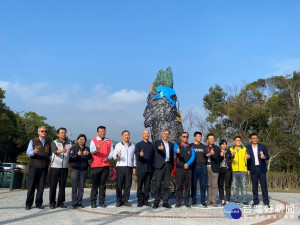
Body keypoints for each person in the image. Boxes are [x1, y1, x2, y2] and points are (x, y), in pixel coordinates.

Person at [25, 126, 52, 210]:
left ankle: (39, 203)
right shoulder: (33, 141)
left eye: (45, 131)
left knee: (41, 186)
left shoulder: (49, 142)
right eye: (42, 131)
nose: (44, 133)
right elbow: (28, 153)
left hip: (44, 167)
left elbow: (50, 154)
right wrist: (33, 151)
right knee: (32, 186)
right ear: (38, 132)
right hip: (34, 167)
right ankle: (28, 204)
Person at [90, 126, 114, 208]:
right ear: (97, 132)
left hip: (105, 166)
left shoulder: (109, 141)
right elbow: (92, 150)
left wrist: (108, 158)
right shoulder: (93, 141)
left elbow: (111, 152)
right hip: (96, 166)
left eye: (103, 131)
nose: (102, 133)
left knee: (102, 185)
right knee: (95, 185)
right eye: (100, 131)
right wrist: (96, 148)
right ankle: (93, 202)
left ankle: (102, 202)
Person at [49, 127, 72, 209]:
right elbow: (55, 151)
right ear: (58, 134)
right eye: (62, 132)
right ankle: (52, 202)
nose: (63, 134)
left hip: (65, 167)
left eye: (65, 132)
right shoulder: (54, 142)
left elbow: (70, 155)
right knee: (53, 185)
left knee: (62, 186)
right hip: (55, 166)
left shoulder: (69, 143)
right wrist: (61, 151)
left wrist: (69, 165)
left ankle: (60, 202)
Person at [152, 129, 174, 209]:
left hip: (168, 165)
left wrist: (171, 166)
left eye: (167, 134)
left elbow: (172, 156)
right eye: (164, 134)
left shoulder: (171, 144)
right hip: (160, 166)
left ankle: (165, 201)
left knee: (166, 185)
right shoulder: (158, 142)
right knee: (158, 185)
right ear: (162, 134)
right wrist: (159, 148)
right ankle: (156, 201)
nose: (166, 135)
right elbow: (157, 147)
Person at [246, 133, 270, 207]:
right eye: (253, 138)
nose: (255, 139)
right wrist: (248, 169)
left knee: (264, 185)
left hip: (261, 168)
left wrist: (264, 157)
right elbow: (246, 161)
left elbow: (268, 157)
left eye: (256, 138)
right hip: (253, 169)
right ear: (250, 139)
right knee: (254, 186)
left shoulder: (262, 147)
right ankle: (255, 201)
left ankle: (266, 201)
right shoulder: (247, 148)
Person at [113, 130, 136, 207]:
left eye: (128, 135)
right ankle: (119, 200)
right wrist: (117, 155)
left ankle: (125, 200)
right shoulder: (118, 145)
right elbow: (113, 157)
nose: (127, 136)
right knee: (119, 184)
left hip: (129, 167)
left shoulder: (132, 145)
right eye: (125, 135)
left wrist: (134, 166)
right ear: (122, 136)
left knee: (128, 185)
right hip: (120, 167)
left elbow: (134, 157)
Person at [69, 134, 92, 208]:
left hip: (84, 169)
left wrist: (87, 154)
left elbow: (90, 157)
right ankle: (74, 202)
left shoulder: (87, 148)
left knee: (81, 187)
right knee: (74, 187)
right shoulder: (73, 148)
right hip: (75, 169)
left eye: (83, 139)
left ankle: (80, 202)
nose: (82, 141)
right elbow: (70, 158)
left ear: (85, 140)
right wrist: (77, 155)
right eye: (80, 139)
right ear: (77, 140)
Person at [173, 132, 195, 208]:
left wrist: (187, 164)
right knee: (179, 186)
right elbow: (175, 150)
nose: (185, 138)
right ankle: (178, 202)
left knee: (187, 186)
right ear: (181, 137)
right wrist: (177, 151)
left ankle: (186, 202)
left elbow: (193, 156)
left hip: (188, 169)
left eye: (187, 137)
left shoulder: (191, 146)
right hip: (179, 169)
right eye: (184, 136)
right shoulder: (177, 145)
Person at [135, 129, 155, 207]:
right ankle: (140, 201)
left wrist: (153, 168)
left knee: (147, 186)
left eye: (147, 133)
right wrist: (140, 155)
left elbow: (153, 157)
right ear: (142, 135)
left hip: (149, 168)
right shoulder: (138, 145)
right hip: (141, 168)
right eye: (145, 133)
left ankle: (146, 200)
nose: (146, 135)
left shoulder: (151, 145)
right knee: (140, 186)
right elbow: (137, 155)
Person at [190, 131, 208, 207]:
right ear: (194, 137)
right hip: (194, 167)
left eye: (200, 136)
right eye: (198, 136)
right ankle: (194, 200)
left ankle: (203, 201)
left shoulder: (203, 146)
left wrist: (210, 154)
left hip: (203, 167)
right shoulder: (190, 146)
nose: (199, 138)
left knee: (203, 185)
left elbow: (207, 155)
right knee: (193, 185)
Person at [230, 136, 249, 205]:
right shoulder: (231, 149)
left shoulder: (245, 149)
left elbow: (248, 159)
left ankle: (244, 200)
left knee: (244, 186)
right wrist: (231, 155)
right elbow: (229, 159)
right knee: (235, 186)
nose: (239, 141)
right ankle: (235, 200)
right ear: (234, 141)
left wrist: (248, 157)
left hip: (243, 170)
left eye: (240, 140)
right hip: (234, 170)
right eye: (237, 140)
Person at [206, 133, 222, 207]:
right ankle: (209, 199)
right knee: (208, 184)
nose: (212, 140)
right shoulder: (205, 147)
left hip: (215, 168)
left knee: (214, 185)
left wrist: (215, 154)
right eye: (210, 139)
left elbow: (219, 159)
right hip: (206, 167)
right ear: (207, 140)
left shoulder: (217, 148)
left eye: (213, 139)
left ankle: (214, 200)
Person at [218, 139, 232, 205]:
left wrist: (232, 155)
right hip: (220, 169)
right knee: (220, 185)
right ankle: (222, 199)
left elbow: (231, 157)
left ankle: (227, 199)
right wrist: (220, 155)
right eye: (223, 144)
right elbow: (216, 159)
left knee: (228, 185)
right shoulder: (218, 151)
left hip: (227, 169)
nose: (224, 145)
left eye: (225, 144)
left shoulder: (228, 151)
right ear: (220, 145)